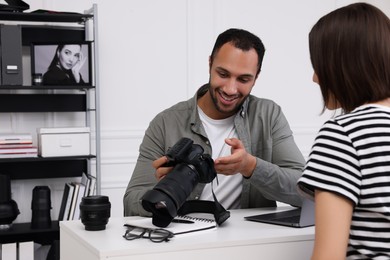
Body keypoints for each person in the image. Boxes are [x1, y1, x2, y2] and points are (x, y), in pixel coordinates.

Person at [124, 28, 305, 217]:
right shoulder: (165, 123)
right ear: (210, 64)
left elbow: (307, 191)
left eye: (243, 79)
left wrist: (250, 167)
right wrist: (171, 188)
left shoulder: (268, 115)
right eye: (223, 74)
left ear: (256, 77)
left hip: (249, 241)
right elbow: (130, 203)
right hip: (182, 241)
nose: (230, 89)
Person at [297, 3, 390, 260]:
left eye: (319, 65)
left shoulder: (343, 135)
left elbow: (328, 256)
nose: (315, 77)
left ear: (344, 67)